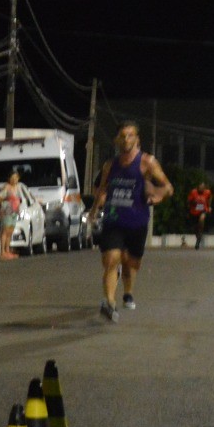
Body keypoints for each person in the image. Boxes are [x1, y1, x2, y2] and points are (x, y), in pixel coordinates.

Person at [89, 121, 173, 323]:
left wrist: (158, 197)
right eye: (123, 136)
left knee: (130, 264)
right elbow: (101, 190)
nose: (126, 139)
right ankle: (109, 301)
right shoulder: (110, 165)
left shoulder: (147, 163)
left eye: (130, 135)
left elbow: (168, 187)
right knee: (111, 260)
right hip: (114, 219)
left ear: (137, 139)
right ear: (117, 139)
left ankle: (128, 292)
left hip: (137, 221)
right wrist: (93, 210)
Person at [0, 171, 23, 260]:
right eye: (12, 178)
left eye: (16, 178)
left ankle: (7, 250)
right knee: (5, 230)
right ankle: (2, 252)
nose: (14, 179)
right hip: (7, 210)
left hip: (15, 211)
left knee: (10, 231)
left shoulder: (17, 187)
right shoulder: (6, 188)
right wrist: (4, 206)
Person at [186, 181, 213, 248]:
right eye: (200, 188)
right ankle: (198, 238)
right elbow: (188, 201)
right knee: (195, 228)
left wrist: (209, 206)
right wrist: (192, 203)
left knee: (202, 218)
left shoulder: (207, 192)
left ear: (204, 188)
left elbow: (210, 198)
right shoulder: (193, 192)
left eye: (203, 188)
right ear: (197, 187)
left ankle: (200, 232)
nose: (201, 189)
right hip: (194, 211)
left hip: (203, 210)